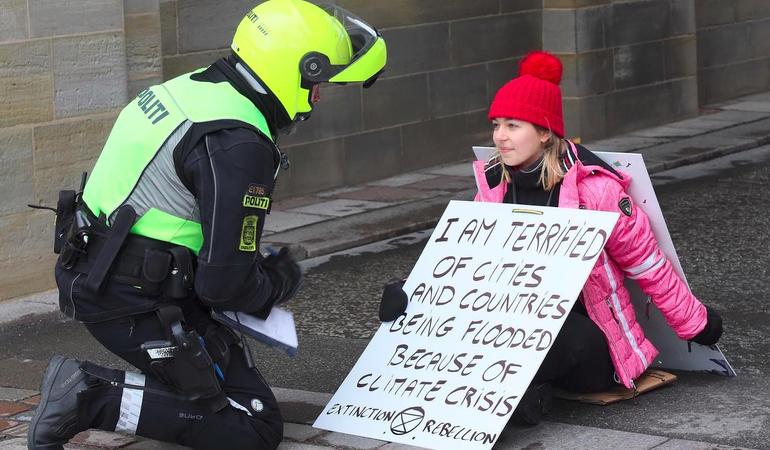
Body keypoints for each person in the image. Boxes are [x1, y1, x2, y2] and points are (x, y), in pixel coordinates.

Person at [29, 1, 386, 449]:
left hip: (105, 273)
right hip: (131, 299)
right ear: (292, 71)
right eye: (318, 83)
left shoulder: (195, 88)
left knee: (216, 384)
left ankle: (130, 387)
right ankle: (87, 395)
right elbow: (226, 287)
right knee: (252, 425)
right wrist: (276, 282)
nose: (319, 96)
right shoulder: (236, 142)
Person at [380, 50, 722, 425]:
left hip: (593, 345)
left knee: (552, 332)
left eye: (513, 125)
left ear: (544, 132)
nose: (500, 136)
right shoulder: (494, 185)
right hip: (516, 328)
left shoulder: (597, 190)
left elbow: (647, 263)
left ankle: (504, 395)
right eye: (496, 125)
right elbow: (465, 262)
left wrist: (697, 324)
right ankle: (507, 397)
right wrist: (412, 291)